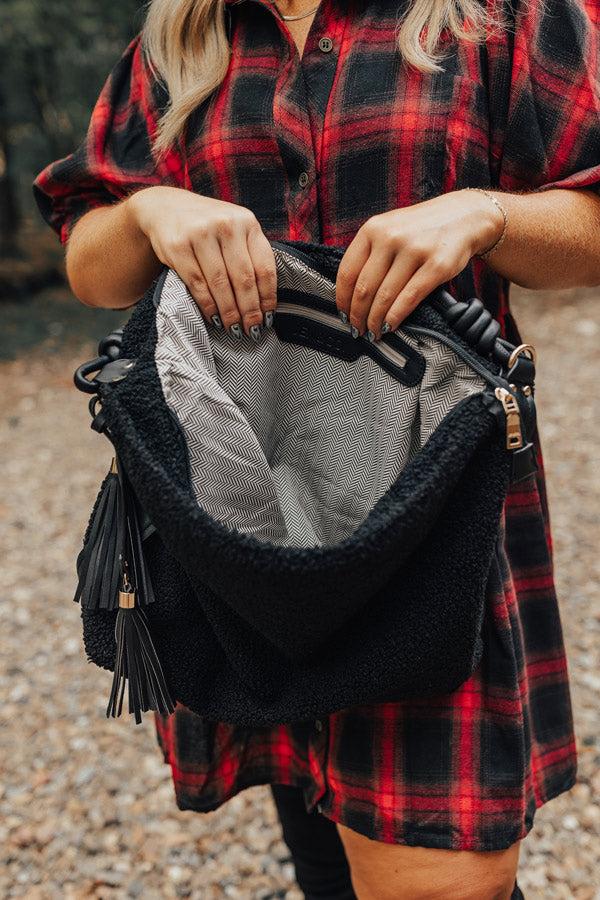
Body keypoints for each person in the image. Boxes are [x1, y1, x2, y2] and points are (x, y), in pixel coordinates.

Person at [33, 0, 600, 896]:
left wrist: (485, 215)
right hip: (233, 507)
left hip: (432, 513)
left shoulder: (503, 16)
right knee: (317, 832)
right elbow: (90, 264)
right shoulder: (179, 41)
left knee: (439, 881)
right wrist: (149, 212)